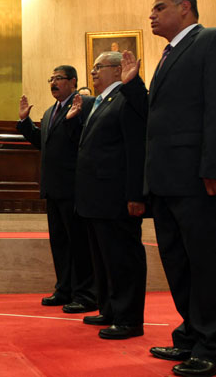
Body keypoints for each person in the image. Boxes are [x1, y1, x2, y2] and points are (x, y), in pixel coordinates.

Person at [122, 0, 216, 376]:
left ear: (185, 8)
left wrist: (215, 168)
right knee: (179, 264)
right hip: (168, 181)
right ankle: (192, 336)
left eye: (159, 8)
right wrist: (133, 87)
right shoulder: (168, 55)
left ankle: (214, 348)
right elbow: (160, 121)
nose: (151, 15)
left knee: (207, 263)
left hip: (200, 179)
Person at [73, 52, 147, 340]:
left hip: (116, 196)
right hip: (95, 196)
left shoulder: (126, 99)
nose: (92, 73)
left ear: (118, 70)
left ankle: (129, 319)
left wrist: (136, 194)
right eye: (92, 68)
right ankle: (109, 309)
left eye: (98, 68)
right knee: (103, 258)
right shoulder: (99, 101)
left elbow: (134, 149)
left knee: (122, 259)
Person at [17, 65, 97, 313]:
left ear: (73, 81)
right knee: (60, 243)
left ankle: (85, 295)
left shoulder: (86, 104)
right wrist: (25, 123)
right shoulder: (52, 110)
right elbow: (46, 145)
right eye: (51, 79)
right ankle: (64, 290)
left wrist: (74, 121)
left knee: (79, 244)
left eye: (59, 79)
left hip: (74, 188)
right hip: (53, 188)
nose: (53, 83)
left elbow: (85, 142)